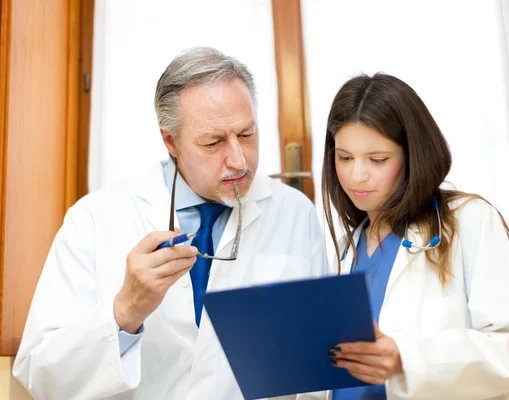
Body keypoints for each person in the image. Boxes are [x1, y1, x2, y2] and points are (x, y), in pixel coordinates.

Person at [13, 47, 328, 399]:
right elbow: (40, 374)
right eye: (214, 142)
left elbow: (319, 372)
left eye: (247, 135)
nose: (238, 159)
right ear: (170, 141)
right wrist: (125, 311)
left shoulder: (295, 213)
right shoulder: (95, 219)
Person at [304, 73, 509, 399]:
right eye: (344, 158)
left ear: (412, 156)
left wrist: (405, 359)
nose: (356, 175)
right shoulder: (342, 252)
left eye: (377, 159)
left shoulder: (468, 222)